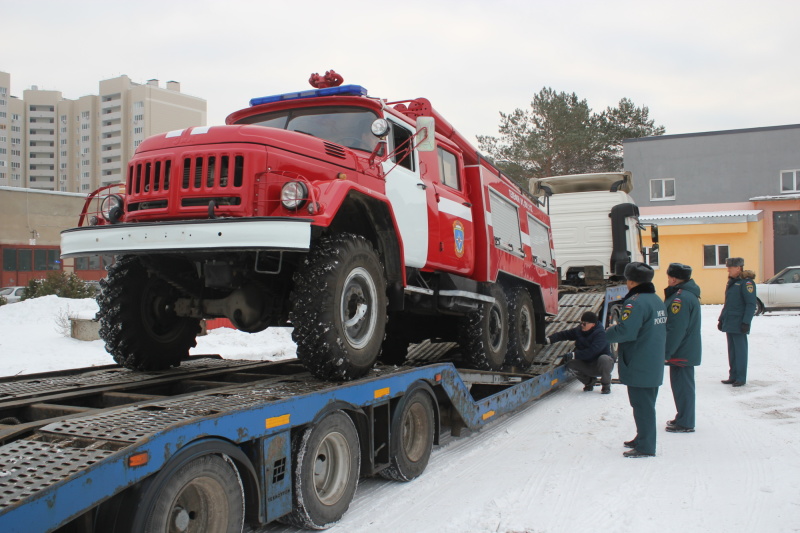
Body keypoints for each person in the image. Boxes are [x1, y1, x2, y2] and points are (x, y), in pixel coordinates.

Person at [605, 262, 667, 458]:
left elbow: (627, 331)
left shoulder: (634, 303)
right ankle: (642, 437)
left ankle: (646, 446)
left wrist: (607, 333)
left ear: (631, 282)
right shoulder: (656, 300)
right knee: (644, 403)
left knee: (642, 406)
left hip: (640, 360)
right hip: (652, 360)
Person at [663, 263, 702, 433]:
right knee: (680, 386)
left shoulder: (680, 298)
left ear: (673, 278)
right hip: (684, 349)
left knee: (683, 387)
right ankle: (683, 416)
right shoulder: (685, 295)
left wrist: (666, 352)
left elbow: (676, 328)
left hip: (681, 350)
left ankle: (686, 421)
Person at [547, 311, 614, 394]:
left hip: (599, 366)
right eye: (581, 323)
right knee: (571, 364)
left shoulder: (601, 334)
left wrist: (574, 355)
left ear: (593, 324)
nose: (582, 325)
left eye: (584, 324)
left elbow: (592, 352)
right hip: (587, 364)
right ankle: (589, 382)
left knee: (604, 359)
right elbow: (565, 334)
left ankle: (606, 384)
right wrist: (550, 339)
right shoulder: (579, 330)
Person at [718, 257, 757, 387]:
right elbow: (728, 304)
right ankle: (733, 375)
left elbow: (751, 304)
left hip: (739, 323)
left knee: (740, 351)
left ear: (738, 268)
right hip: (730, 321)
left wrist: (746, 322)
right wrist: (721, 318)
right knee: (732, 351)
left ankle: (740, 377)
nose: (728, 270)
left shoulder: (746, 283)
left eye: (730, 267)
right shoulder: (732, 282)